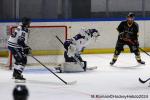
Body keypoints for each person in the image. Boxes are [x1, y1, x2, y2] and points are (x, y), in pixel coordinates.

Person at [7, 17, 31, 81]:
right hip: (14, 46)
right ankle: (18, 75)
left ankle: (15, 74)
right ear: (26, 23)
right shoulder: (24, 30)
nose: (29, 24)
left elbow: (20, 41)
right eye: (29, 22)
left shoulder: (20, 27)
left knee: (18, 59)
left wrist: (25, 47)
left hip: (14, 45)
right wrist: (25, 47)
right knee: (23, 60)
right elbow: (20, 41)